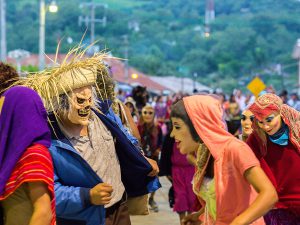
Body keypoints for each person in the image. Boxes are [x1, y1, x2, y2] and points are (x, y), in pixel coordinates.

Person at [14, 46, 160, 225]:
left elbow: (124, 137)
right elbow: (48, 193)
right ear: (60, 103)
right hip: (84, 217)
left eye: (90, 100)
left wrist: (142, 158)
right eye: (80, 101)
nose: (87, 107)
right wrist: (87, 195)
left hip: (119, 208)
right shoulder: (47, 140)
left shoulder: (101, 115)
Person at [170, 95, 278, 225]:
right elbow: (220, 200)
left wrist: (237, 222)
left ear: (198, 124)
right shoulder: (205, 152)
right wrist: (199, 215)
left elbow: (269, 195)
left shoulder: (236, 149)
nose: (172, 134)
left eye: (177, 127)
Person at [0, 86, 55, 225]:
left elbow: (43, 213)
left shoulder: (33, 154)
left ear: (17, 116)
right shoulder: (15, 155)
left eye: (4, 112)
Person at [247, 93, 300, 224]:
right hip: (276, 207)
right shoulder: (256, 139)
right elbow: (245, 161)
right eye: (261, 122)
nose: (266, 126)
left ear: (280, 114)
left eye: (269, 120)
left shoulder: (297, 130)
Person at [138, 105, 162, 212]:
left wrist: (159, 149)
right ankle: (142, 200)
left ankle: (151, 199)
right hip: (142, 157)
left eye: (150, 113)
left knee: (154, 178)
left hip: (154, 156)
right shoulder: (138, 127)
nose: (148, 115)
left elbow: (161, 141)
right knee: (142, 178)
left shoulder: (158, 127)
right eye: (145, 112)